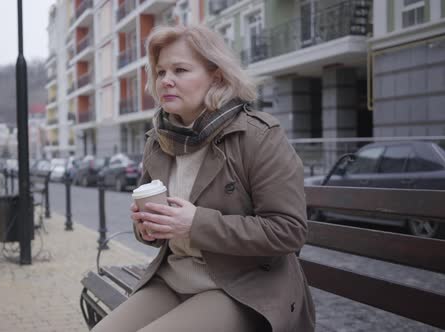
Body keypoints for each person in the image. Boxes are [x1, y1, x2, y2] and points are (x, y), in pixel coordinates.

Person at [92, 24, 315, 332]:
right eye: (160, 72)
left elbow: (288, 231)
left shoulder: (258, 136)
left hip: (243, 287)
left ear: (217, 75)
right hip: (173, 278)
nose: (166, 80)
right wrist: (147, 227)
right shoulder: (159, 141)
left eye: (180, 70)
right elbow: (157, 234)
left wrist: (196, 224)